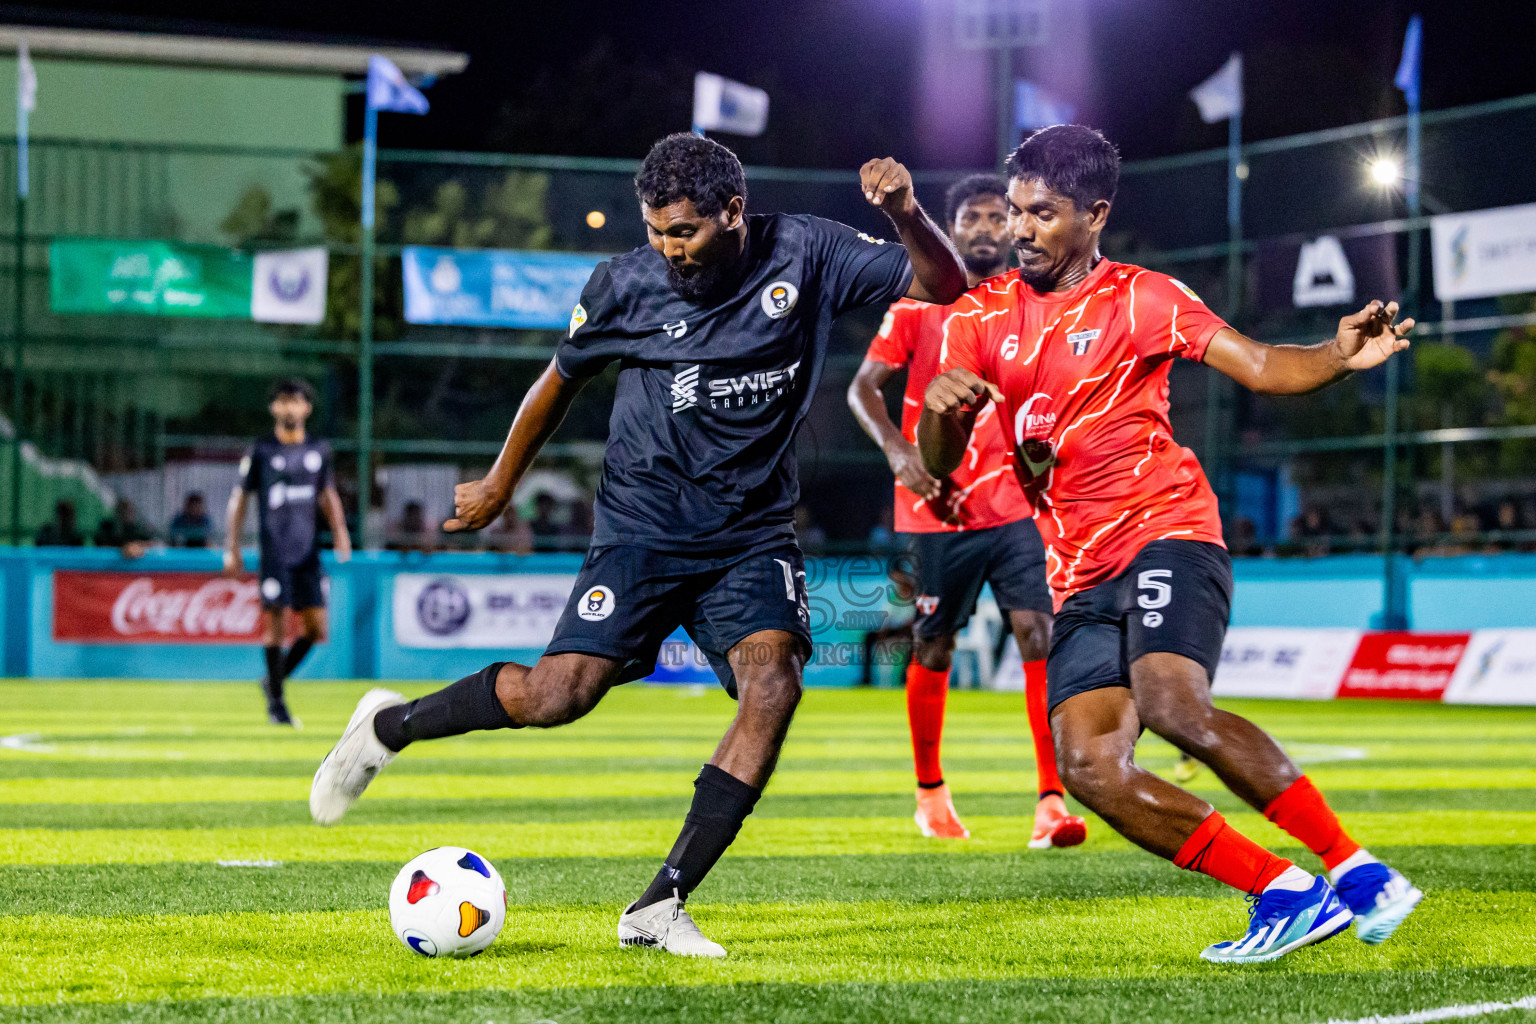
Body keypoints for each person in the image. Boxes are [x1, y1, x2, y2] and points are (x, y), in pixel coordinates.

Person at [308, 132, 966, 958]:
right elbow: (559, 381)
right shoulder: (624, 285)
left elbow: (945, 284)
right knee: (559, 696)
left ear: (734, 211)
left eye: (684, 231)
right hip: (642, 528)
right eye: (655, 230)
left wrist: (905, 212)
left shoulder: (808, 252)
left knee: (774, 686)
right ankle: (387, 728)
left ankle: (660, 905)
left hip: (750, 534)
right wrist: (501, 481)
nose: (669, 249)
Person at [920, 125, 1421, 963]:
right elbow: (938, 468)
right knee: (1088, 765)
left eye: (1043, 213)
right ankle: (1286, 893)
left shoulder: (1144, 298)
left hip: (1169, 533)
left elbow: (1260, 365)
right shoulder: (979, 318)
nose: (1021, 229)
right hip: (1079, 573)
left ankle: (1357, 872)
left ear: (1094, 215)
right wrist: (938, 412)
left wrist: (1333, 356)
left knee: (1173, 707)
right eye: (1015, 212)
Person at [847, 173, 1082, 849]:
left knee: (1040, 631)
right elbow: (863, 388)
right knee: (933, 644)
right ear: (950, 229)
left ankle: (1051, 802)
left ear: (1011, 227)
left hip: (1014, 504)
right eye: (970, 219)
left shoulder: (1032, 303)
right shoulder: (919, 304)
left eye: (993, 217)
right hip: (938, 509)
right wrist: (898, 453)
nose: (983, 228)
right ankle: (930, 793)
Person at [224, 378, 352, 727]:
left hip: (308, 552)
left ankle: (272, 680)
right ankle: (277, 704)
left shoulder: (319, 450)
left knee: (315, 629)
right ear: (274, 408)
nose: (289, 407)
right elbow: (240, 499)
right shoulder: (261, 449)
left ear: (307, 408)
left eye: (296, 401)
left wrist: (340, 532)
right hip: (275, 553)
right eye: (282, 401)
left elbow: (327, 494)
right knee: (274, 629)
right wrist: (231, 546)